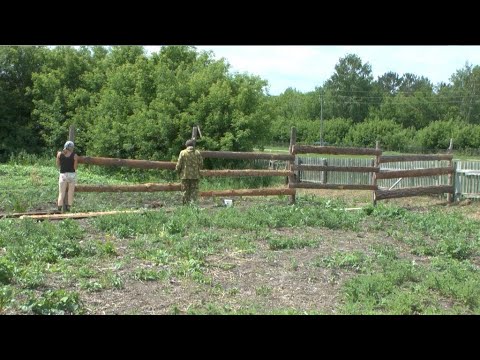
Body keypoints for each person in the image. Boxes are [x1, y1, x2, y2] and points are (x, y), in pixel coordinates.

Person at [175, 139, 203, 205]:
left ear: (186, 145)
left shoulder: (183, 153)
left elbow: (179, 164)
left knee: (185, 191)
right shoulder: (197, 153)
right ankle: (194, 205)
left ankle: (185, 205)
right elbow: (201, 164)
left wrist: (177, 171)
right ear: (193, 145)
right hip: (195, 176)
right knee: (194, 191)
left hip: (185, 175)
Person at [56, 140, 78, 212]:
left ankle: (59, 208)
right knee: (70, 192)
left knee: (61, 193)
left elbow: (58, 165)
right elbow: (75, 167)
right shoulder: (74, 155)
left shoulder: (59, 154)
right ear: (72, 147)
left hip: (63, 175)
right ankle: (69, 208)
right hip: (71, 175)